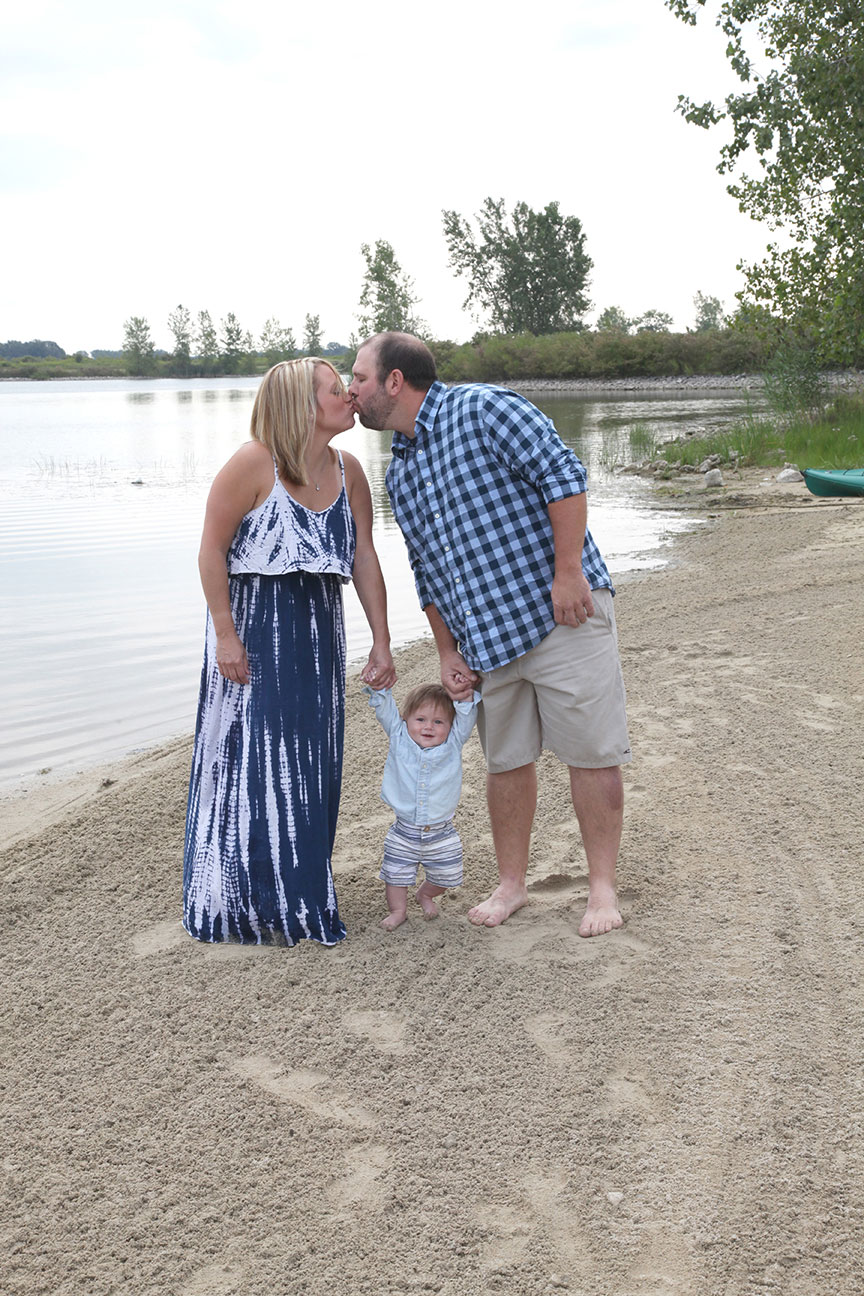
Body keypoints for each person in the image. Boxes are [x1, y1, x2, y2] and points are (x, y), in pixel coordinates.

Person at [349, 332, 631, 938]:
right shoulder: (402, 471)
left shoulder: (484, 408)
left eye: (359, 378)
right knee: (505, 764)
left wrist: (568, 572)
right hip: (485, 642)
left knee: (593, 753)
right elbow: (428, 568)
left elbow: (564, 475)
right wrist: (447, 648)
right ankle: (512, 885)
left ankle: (602, 890)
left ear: (395, 381)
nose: (352, 391)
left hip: (562, 614)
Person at [183, 357, 396, 945]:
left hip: (319, 634)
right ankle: (242, 902)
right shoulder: (254, 463)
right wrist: (225, 634)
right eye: (336, 390)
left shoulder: (349, 469)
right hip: (253, 633)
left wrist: (381, 639)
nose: (350, 396)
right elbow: (210, 552)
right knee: (252, 762)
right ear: (303, 405)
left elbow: (364, 560)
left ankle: (301, 891)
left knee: (310, 764)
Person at [364, 682, 479, 930]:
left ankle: (425, 894)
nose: (428, 727)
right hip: (403, 831)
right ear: (406, 720)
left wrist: (465, 694)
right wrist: (379, 688)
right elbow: (385, 709)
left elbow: (467, 715)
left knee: (447, 876)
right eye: (420, 719)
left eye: (439, 722)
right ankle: (399, 910)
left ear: (451, 726)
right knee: (395, 875)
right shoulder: (398, 735)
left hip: (441, 832)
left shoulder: (454, 742)